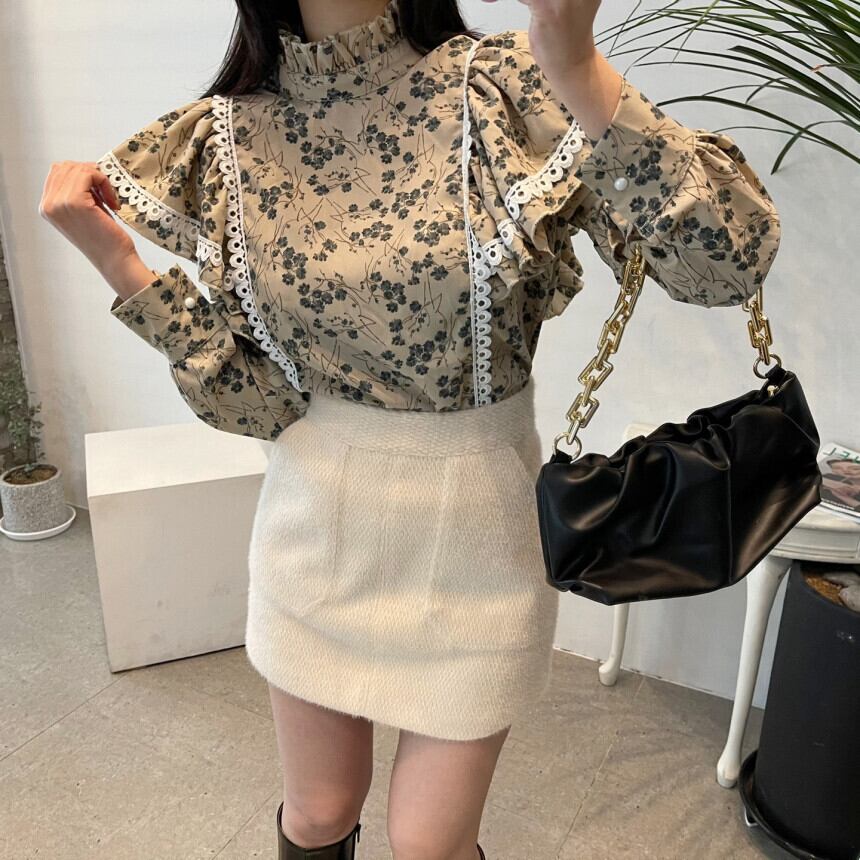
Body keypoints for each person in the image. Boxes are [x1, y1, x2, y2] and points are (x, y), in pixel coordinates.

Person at [39, 0, 782, 856]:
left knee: (429, 843)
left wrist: (579, 70)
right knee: (318, 813)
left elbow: (728, 263)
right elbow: (259, 406)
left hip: (478, 548)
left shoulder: (508, 89)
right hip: (313, 535)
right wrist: (121, 266)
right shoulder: (224, 139)